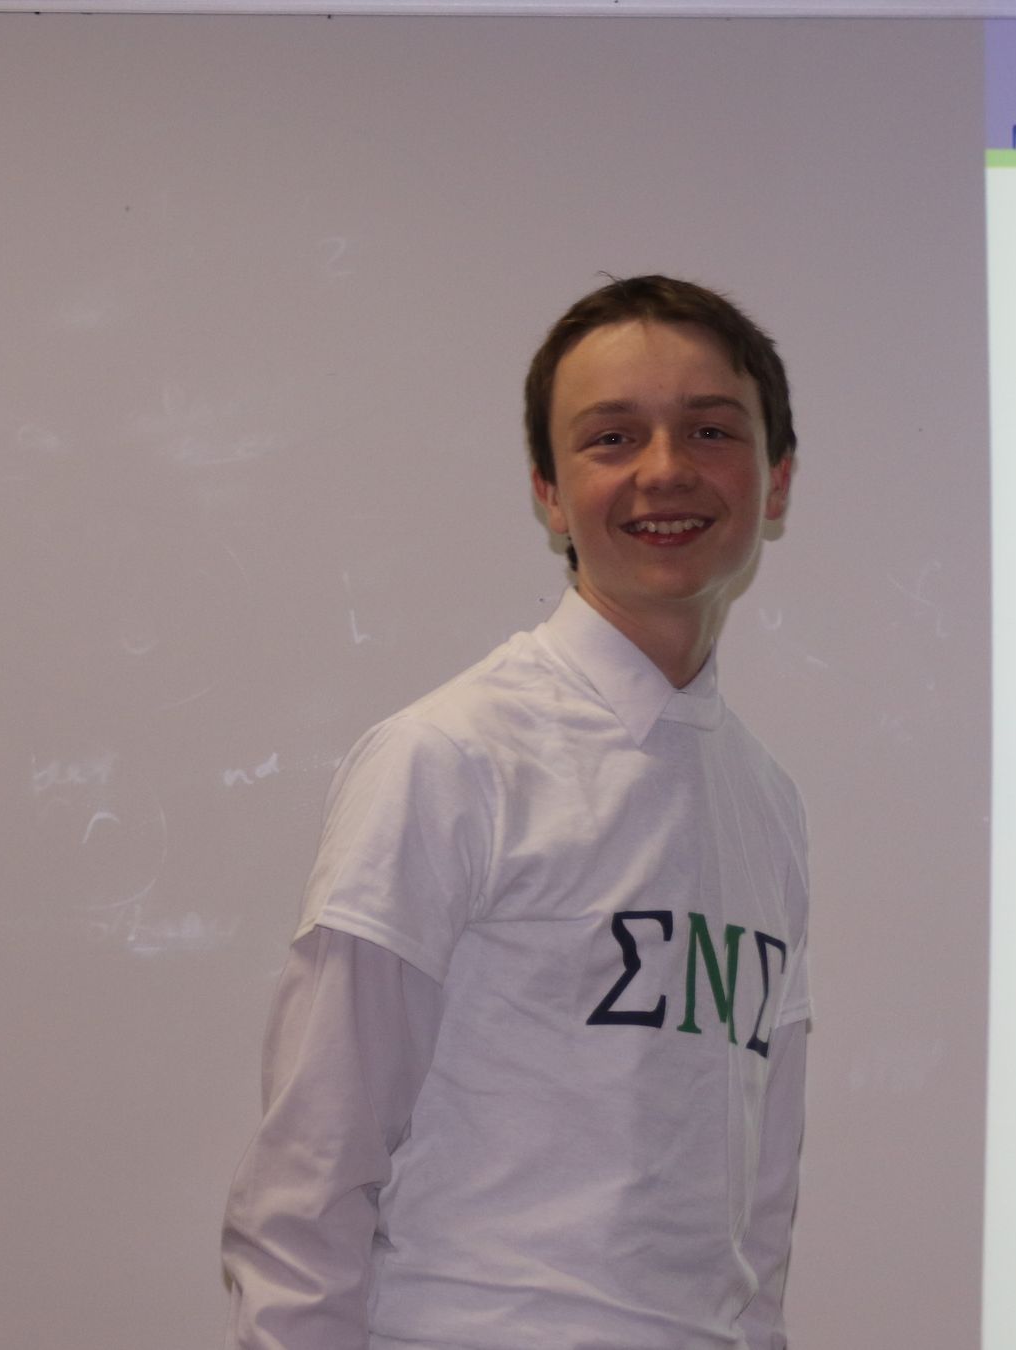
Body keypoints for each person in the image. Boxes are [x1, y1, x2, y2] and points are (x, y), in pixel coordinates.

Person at [223, 275, 810, 1350]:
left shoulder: (767, 804)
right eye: (612, 438)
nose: (665, 469)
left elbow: (757, 1212)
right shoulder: (447, 761)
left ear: (775, 481)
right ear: (549, 492)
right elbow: (308, 1184)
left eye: (711, 429)